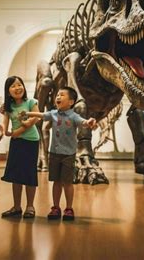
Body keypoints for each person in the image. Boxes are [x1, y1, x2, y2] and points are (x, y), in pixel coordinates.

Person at [24, 86, 97, 221]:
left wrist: (90, 122)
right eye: (57, 95)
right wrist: (28, 114)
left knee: (67, 183)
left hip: (68, 154)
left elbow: (84, 123)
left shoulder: (74, 116)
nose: (58, 97)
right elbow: (41, 115)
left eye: (62, 95)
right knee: (56, 182)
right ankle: (56, 207)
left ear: (71, 102)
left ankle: (69, 208)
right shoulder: (53, 113)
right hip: (54, 153)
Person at [0, 76, 41, 219]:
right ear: (8, 91)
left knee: (29, 174)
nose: (17, 88)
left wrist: (18, 131)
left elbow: (35, 117)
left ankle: (30, 206)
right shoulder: (8, 107)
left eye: (19, 85)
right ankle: (16, 206)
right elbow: (5, 121)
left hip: (31, 141)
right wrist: (4, 131)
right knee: (15, 175)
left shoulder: (31, 102)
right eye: (13, 86)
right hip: (16, 142)